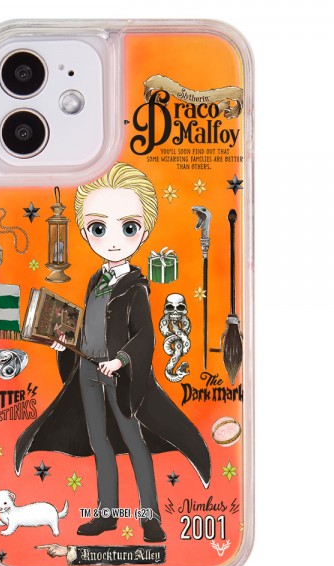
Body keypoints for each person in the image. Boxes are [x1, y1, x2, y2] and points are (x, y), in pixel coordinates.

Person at [15, 162, 210, 543]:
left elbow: (145, 335)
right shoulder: (95, 281)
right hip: (87, 370)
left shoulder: (136, 288)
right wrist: (65, 344)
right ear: (86, 232)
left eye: (129, 227)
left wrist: (121, 360)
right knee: (98, 442)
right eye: (99, 228)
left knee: (135, 441)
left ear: (143, 232)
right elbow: (88, 325)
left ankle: (150, 517)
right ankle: (106, 513)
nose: (114, 239)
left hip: (119, 376)